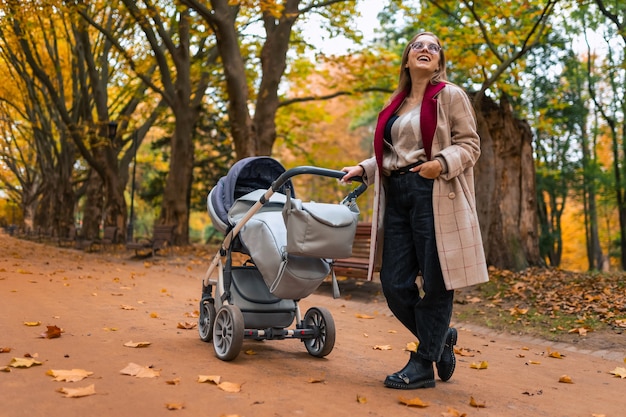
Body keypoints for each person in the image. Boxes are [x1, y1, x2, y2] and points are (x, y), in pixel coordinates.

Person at [341, 32, 489, 390]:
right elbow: (392, 154)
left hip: (434, 191)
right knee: (393, 283)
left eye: (433, 47)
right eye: (417, 46)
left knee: (438, 281)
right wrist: (366, 168)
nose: (425, 49)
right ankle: (440, 337)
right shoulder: (395, 103)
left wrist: (441, 163)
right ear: (407, 59)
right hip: (398, 194)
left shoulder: (450, 96)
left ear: (439, 62)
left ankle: (423, 363)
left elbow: (470, 145)